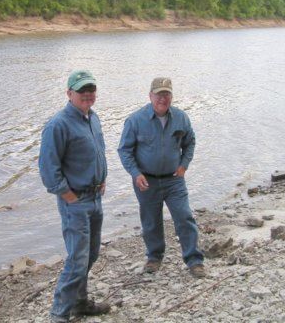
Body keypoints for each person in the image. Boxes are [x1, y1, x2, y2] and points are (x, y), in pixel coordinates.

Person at [38, 70, 110, 323]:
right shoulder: (57, 125)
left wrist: (103, 177)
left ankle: (80, 303)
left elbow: (99, 151)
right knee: (77, 260)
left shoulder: (93, 117)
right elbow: (48, 169)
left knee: (90, 255)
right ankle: (58, 314)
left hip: (95, 197)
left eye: (91, 90)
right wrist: (67, 195)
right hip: (75, 202)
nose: (87, 95)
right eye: (82, 91)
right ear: (69, 93)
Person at [118, 77, 206, 278]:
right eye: (159, 94)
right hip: (146, 180)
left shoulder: (181, 118)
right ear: (150, 96)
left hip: (174, 179)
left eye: (166, 94)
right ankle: (154, 257)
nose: (162, 99)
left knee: (184, 216)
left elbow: (190, 142)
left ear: (171, 96)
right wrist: (135, 173)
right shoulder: (135, 120)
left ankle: (194, 260)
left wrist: (184, 165)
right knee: (151, 221)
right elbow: (124, 150)